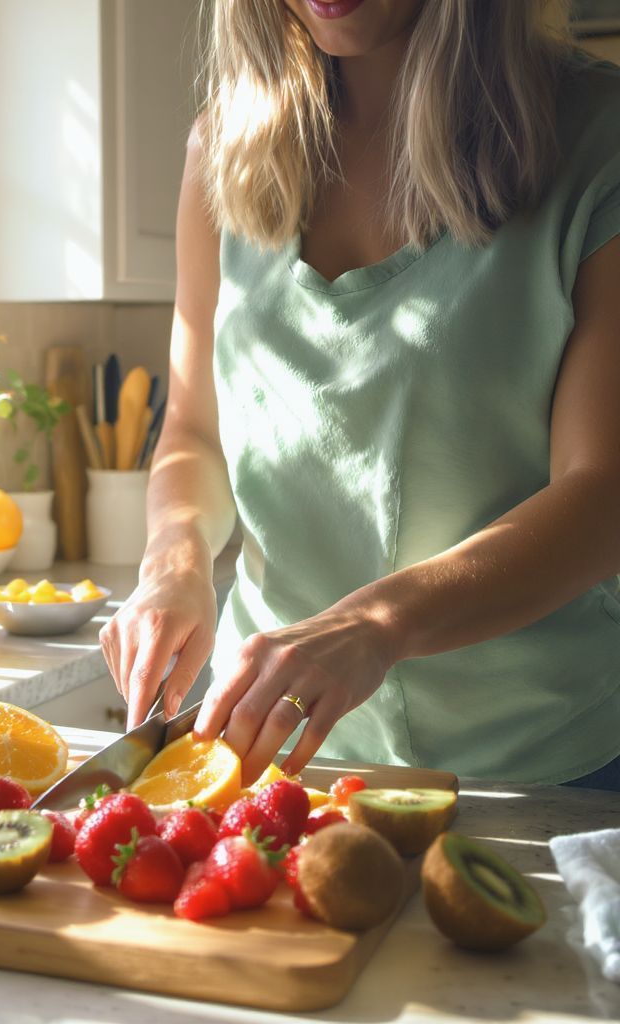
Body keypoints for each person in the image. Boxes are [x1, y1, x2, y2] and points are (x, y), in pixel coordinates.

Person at [99, 0, 620, 790]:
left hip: (540, 764)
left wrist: (376, 625)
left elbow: (603, 493)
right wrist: (174, 561)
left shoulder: (595, 134)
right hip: (275, 755)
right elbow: (195, 431)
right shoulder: (221, 147)